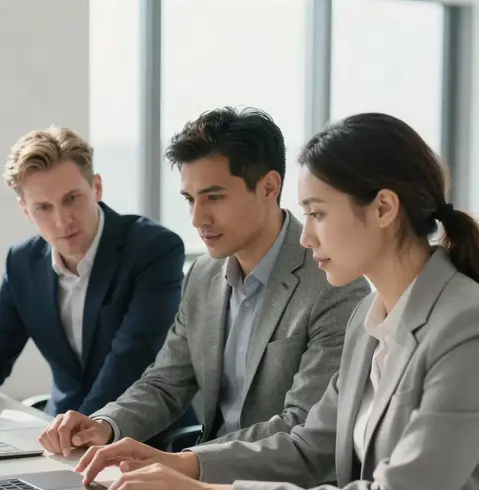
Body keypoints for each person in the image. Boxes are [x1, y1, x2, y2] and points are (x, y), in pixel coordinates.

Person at [73, 113, 479, 490]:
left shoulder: (464, 326)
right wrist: (186, 467)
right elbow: (312, 445)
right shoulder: (371, 315)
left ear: (383, 208)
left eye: (316, 213)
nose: (306, 236)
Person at [39, 107, 369, 457]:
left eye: (214, 197)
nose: (198, 219)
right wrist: (105, 425)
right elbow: (166, 383)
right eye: (190, 200)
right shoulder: (203, 275)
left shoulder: (334, 284)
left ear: (269, 186)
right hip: (200, 479)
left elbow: (300, 426)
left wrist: (182, 464)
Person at [0, 125, 196, 432]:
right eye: (43, 207)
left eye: (72, 199)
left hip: (143, 437)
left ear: (96, 187)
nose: (62, 220)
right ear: (26, 211)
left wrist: (80, 428)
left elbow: (131, 357)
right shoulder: (22, 262)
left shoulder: (153, 249)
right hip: (58, 436)